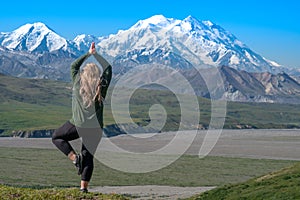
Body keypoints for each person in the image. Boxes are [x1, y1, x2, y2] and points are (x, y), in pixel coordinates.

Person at [52, 42, 112, 193]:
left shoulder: (78, 82)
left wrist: (88, 54)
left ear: (83, 73)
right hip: (96, 129)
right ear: (97, 74)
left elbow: (74, 66)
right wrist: (96, 55)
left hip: (78, 125)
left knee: (56, 137)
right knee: (88, 157)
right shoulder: (101, 86)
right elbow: (109, 68)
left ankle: (74, 158)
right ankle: (83, 189)